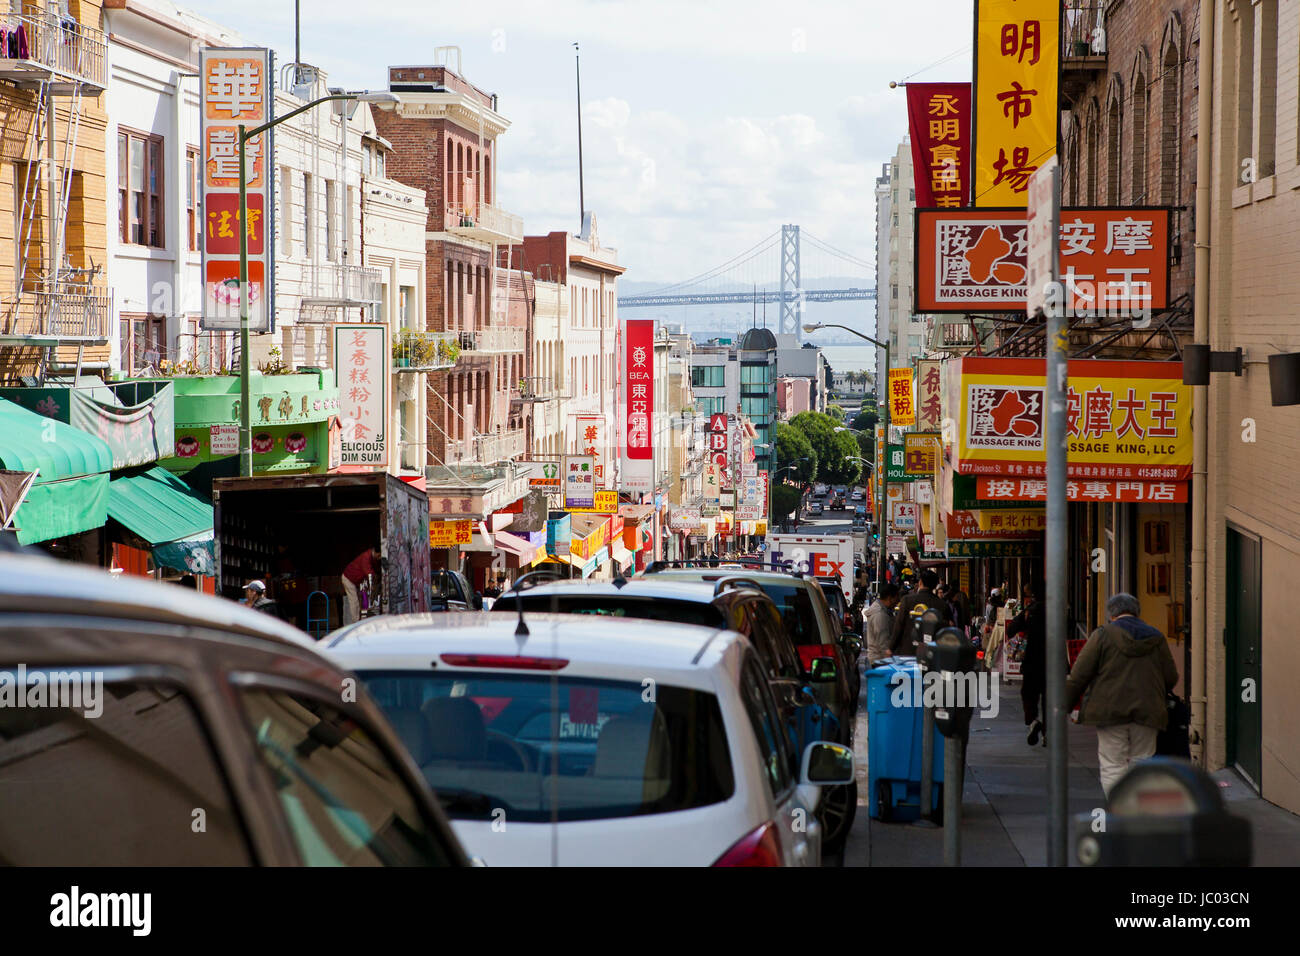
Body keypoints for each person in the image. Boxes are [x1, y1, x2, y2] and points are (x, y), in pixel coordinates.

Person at [1066, 592, 1179, 797]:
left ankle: (1119, 807)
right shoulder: (1156, 637)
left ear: (1111, 614)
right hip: (1148, 710)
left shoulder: (1102, 635)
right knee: (1142, 761)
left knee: (1113, 763)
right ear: (1137, 612)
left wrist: (1065, 705)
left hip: (1110, 711)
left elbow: (1079, 675)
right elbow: (1170, 676)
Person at [1006, 577, 1047, 745]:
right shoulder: (1057, 609)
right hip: (1054, 660)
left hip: (1032, 659)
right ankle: (1047, 732)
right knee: (1050, 698)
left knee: (1029, 695)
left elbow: (1011, 629)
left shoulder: (1031, 611)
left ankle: (1033, 721)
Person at [889, 568, 952, 656]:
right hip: (933, 654)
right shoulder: (942, 605)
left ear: (920, 582)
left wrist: (890, 648)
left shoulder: (907, 600)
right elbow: (948, 629)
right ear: (935, 586)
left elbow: (899, 626)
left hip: (908, 652)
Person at [342, 545, 381, 625]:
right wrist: (372, 588)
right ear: (376, 553)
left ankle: (358, 620)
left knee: (360, 601)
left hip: (356, 580)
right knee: (354, 601)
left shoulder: (372, 557)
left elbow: (373, 572)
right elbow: (369, 572)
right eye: (379, 555)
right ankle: (355, 624)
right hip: (348, 579)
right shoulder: (366, 557)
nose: (379, 557)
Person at [864, 582, 900, 666]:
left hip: (878, 659)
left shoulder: (882, 611)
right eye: (896, 598)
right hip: (880, 661)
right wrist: (889, 659)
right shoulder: (880, 615)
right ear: (889, 598)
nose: (897, 602)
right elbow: (883, 641)